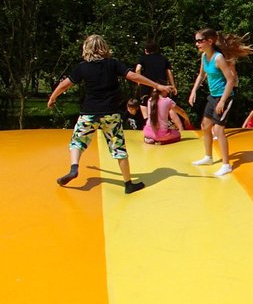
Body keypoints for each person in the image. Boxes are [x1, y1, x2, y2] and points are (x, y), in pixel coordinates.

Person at [47, 35, 172, 194]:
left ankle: (74, 168)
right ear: (104, 47)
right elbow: (133, 76)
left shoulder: (82, 68)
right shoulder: (113, 64)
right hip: (111, 113)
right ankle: (128, 184)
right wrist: (157, 85)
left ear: (86, 49)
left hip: (89, 113)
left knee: (77, 141)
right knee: (118, 147)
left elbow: (65, 85)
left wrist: (52, 98)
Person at [188, 28, 253, 177]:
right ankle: (208, 157)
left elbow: (230, 79)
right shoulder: (205, 57)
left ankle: (226, 165)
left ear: (209, 41)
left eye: (200, 41)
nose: (197, 44)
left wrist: (222, 101)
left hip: (225, 96)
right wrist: (193, 91)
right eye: (196, 41)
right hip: (213, 96)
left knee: (218, 130)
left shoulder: (219, 58)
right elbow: (201, 75)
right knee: (205, 126)